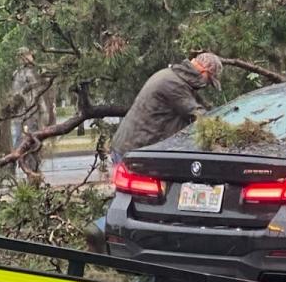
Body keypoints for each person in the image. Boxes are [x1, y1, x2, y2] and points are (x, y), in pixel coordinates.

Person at [85, 53, 223, 252]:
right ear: (203, 72)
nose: (206, 86)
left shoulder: (173, 77)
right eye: (209, 81)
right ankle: (101, 232)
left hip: (133, 147)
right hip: (136, 149)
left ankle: (112, 245)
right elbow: (197, 115)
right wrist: (225, 127)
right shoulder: (173, 84)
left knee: (135, 202)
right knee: (139, 203)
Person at [9, 47, 54, 176]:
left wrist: (44, 114)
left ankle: (33, 170)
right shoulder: (17, 74)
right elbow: (15, 94)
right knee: (20, 141)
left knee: (32, 143)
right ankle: (19, 166)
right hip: (21, 115)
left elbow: (37, 95)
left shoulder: (31, 73)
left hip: (31, 114)